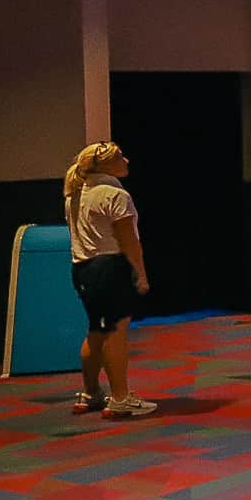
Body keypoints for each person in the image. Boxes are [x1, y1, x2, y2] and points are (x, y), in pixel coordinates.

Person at [62, 142, 157, 417]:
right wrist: (140, 273)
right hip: (110, 268)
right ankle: (120, 397)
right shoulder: (114, 195)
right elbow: (128, 240)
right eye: (119, 157)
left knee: (97, 330)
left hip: (82, 269)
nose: (126, 160)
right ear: (105, 166)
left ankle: (91, 393)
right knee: (116, 333)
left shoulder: (76, 194)